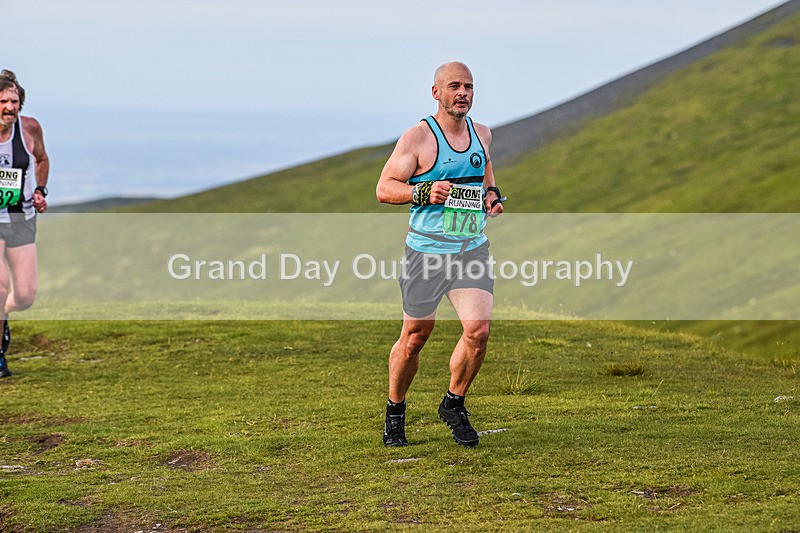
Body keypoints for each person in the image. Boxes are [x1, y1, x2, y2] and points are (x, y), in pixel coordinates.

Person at [376, 62, 505, 446]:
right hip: (427, 254)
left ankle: (453, 402)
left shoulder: (483, 134)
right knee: (416, 335)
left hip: (470, 249)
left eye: (468, 86)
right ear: (436, 92)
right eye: (454, 86)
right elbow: (384, 188)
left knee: (477, 330)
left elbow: (484, 172)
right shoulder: (417, 138)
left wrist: (492, 196)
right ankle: (395, 411)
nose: (462, 93)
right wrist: (422, 192)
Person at [0, 70, 50, 378]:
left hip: (21, 218)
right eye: (3, 101)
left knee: (25, 296)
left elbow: (42, 160)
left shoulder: (29, 129)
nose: (9, 107)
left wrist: (40, 190)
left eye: (14, 101)